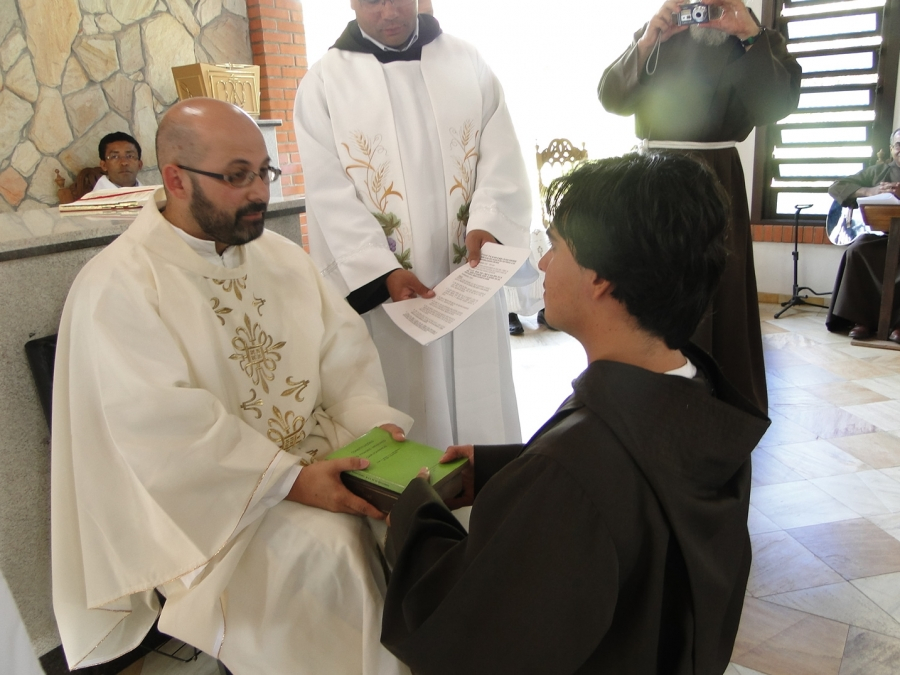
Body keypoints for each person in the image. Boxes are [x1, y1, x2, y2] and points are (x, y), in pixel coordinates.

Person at [51, 98, 415, 675]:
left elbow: (345, 360)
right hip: (212, 510)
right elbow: (162, 435)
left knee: (428, 516)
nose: (260, 193)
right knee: (337, 555)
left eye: (264, 172)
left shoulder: (282, 259)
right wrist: (292, 480)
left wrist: (375, 434)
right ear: (176, 179)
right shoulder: (119, 285)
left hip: (314, 461)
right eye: (237, 176)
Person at [380, 153, 771, 675]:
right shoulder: (702, 400)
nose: (543, 264)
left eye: (556, 246)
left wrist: (412, 511)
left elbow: (474, 639)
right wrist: (504, 470)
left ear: (602, 276)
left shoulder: (571, 471)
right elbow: (633, 481)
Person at [294, 0, 531, 449]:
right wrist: (379, 270)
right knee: (405, 397)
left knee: (481, 406)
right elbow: (327, 190)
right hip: (392, 290)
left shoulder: (466, 61)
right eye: (373, 1)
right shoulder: (324, 81)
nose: (389, 12)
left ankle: (487, 487)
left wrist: (488, 221)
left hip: (468, 271)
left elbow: (502, 153)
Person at [599, 0, 802, 414]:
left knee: (714, 290)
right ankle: (645, 399)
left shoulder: (757, 37)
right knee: (649, 290)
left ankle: (718, 406)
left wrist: (749, 36)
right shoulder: (658, 32)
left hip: (715, 178)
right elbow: (612, 98)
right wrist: (646, 42)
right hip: (653, 182)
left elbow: (774, 106)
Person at [825, 128, 900, 343]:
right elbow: (837, 187)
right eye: (898, 145)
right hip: (883, 236)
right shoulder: (878, 172)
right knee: (857, 250)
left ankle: (898, 324)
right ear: (891, 149)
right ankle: (862, 320)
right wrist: (870, 191)